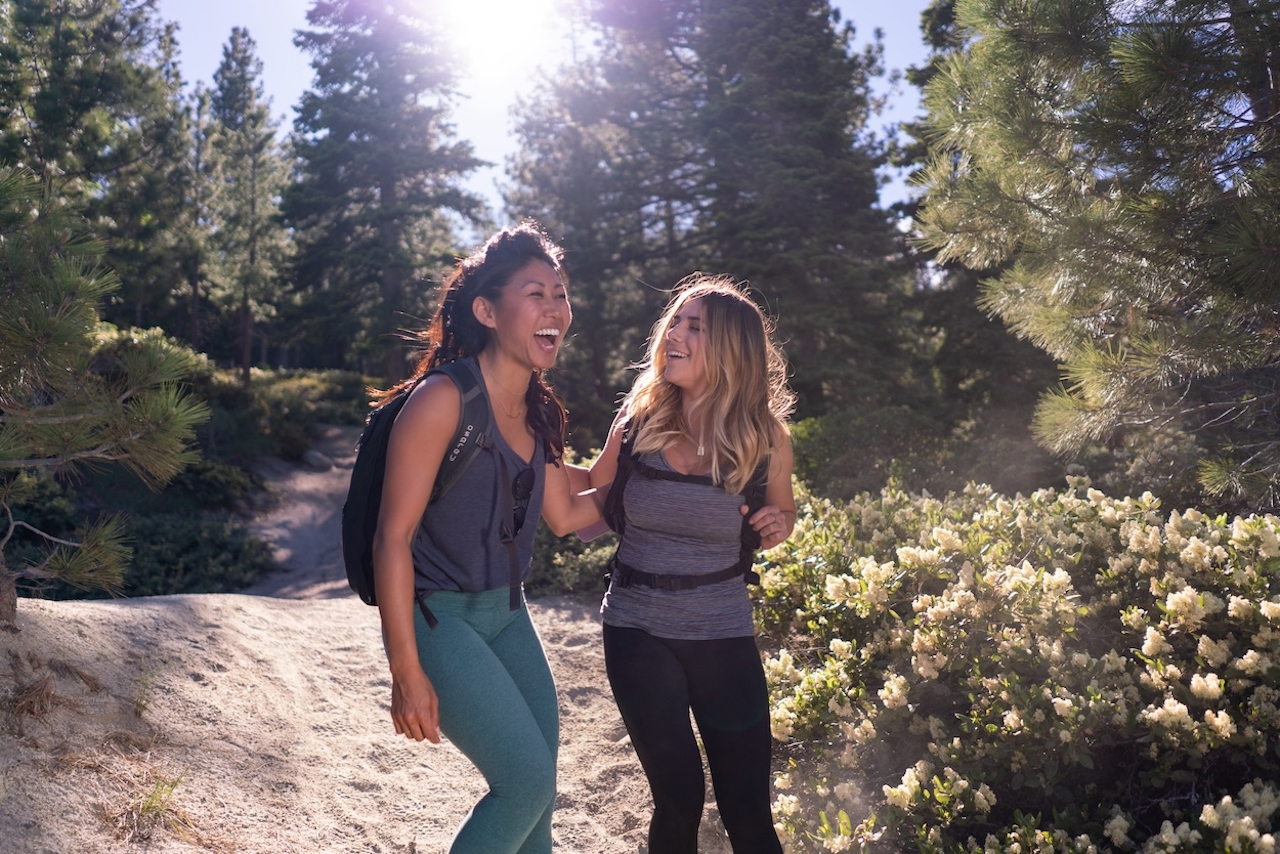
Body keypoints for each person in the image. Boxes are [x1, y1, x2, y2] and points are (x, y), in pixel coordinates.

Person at [372, 222, 601, 854]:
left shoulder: (539, 409)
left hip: (507, 614)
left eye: (561, 293)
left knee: (539, 793)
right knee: (524, 785)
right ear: (487, 309)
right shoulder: (441, 401)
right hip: (439, 620)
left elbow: (565, 513)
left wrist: (655, 469)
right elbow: (393, 538)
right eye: (536, 293)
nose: (555, 308)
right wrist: (405, 669)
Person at [588, 274, 796, 854]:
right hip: (637, 627)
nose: (674, 334)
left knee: (749, 812)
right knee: (678, 798)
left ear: (731, 349)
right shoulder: (637, 422)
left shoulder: (765, 437)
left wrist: (779, 525)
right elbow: (585, 507)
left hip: (722, 629)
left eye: (694, 326)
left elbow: (782, 511)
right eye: (674, 322)